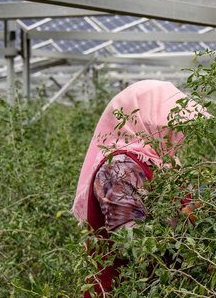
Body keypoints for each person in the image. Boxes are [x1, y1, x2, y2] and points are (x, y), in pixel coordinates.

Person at [72, 80, 207, 297]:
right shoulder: (118, 168)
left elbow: (195, 207)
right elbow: (133, 243)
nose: (174, 132)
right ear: (146, 123)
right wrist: (187, 220)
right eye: (166, 125)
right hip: (124, 289)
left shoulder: (164, 163)